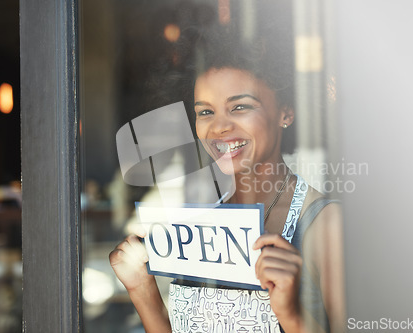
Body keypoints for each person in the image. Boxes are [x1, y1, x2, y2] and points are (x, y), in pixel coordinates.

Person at [110, 38, 345, 333]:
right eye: (205, 112)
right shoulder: (199, 222)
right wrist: (141, 288)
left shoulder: (325, 226)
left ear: (285, 112)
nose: (219, 127)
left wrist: (292, 315)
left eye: (240, 107)